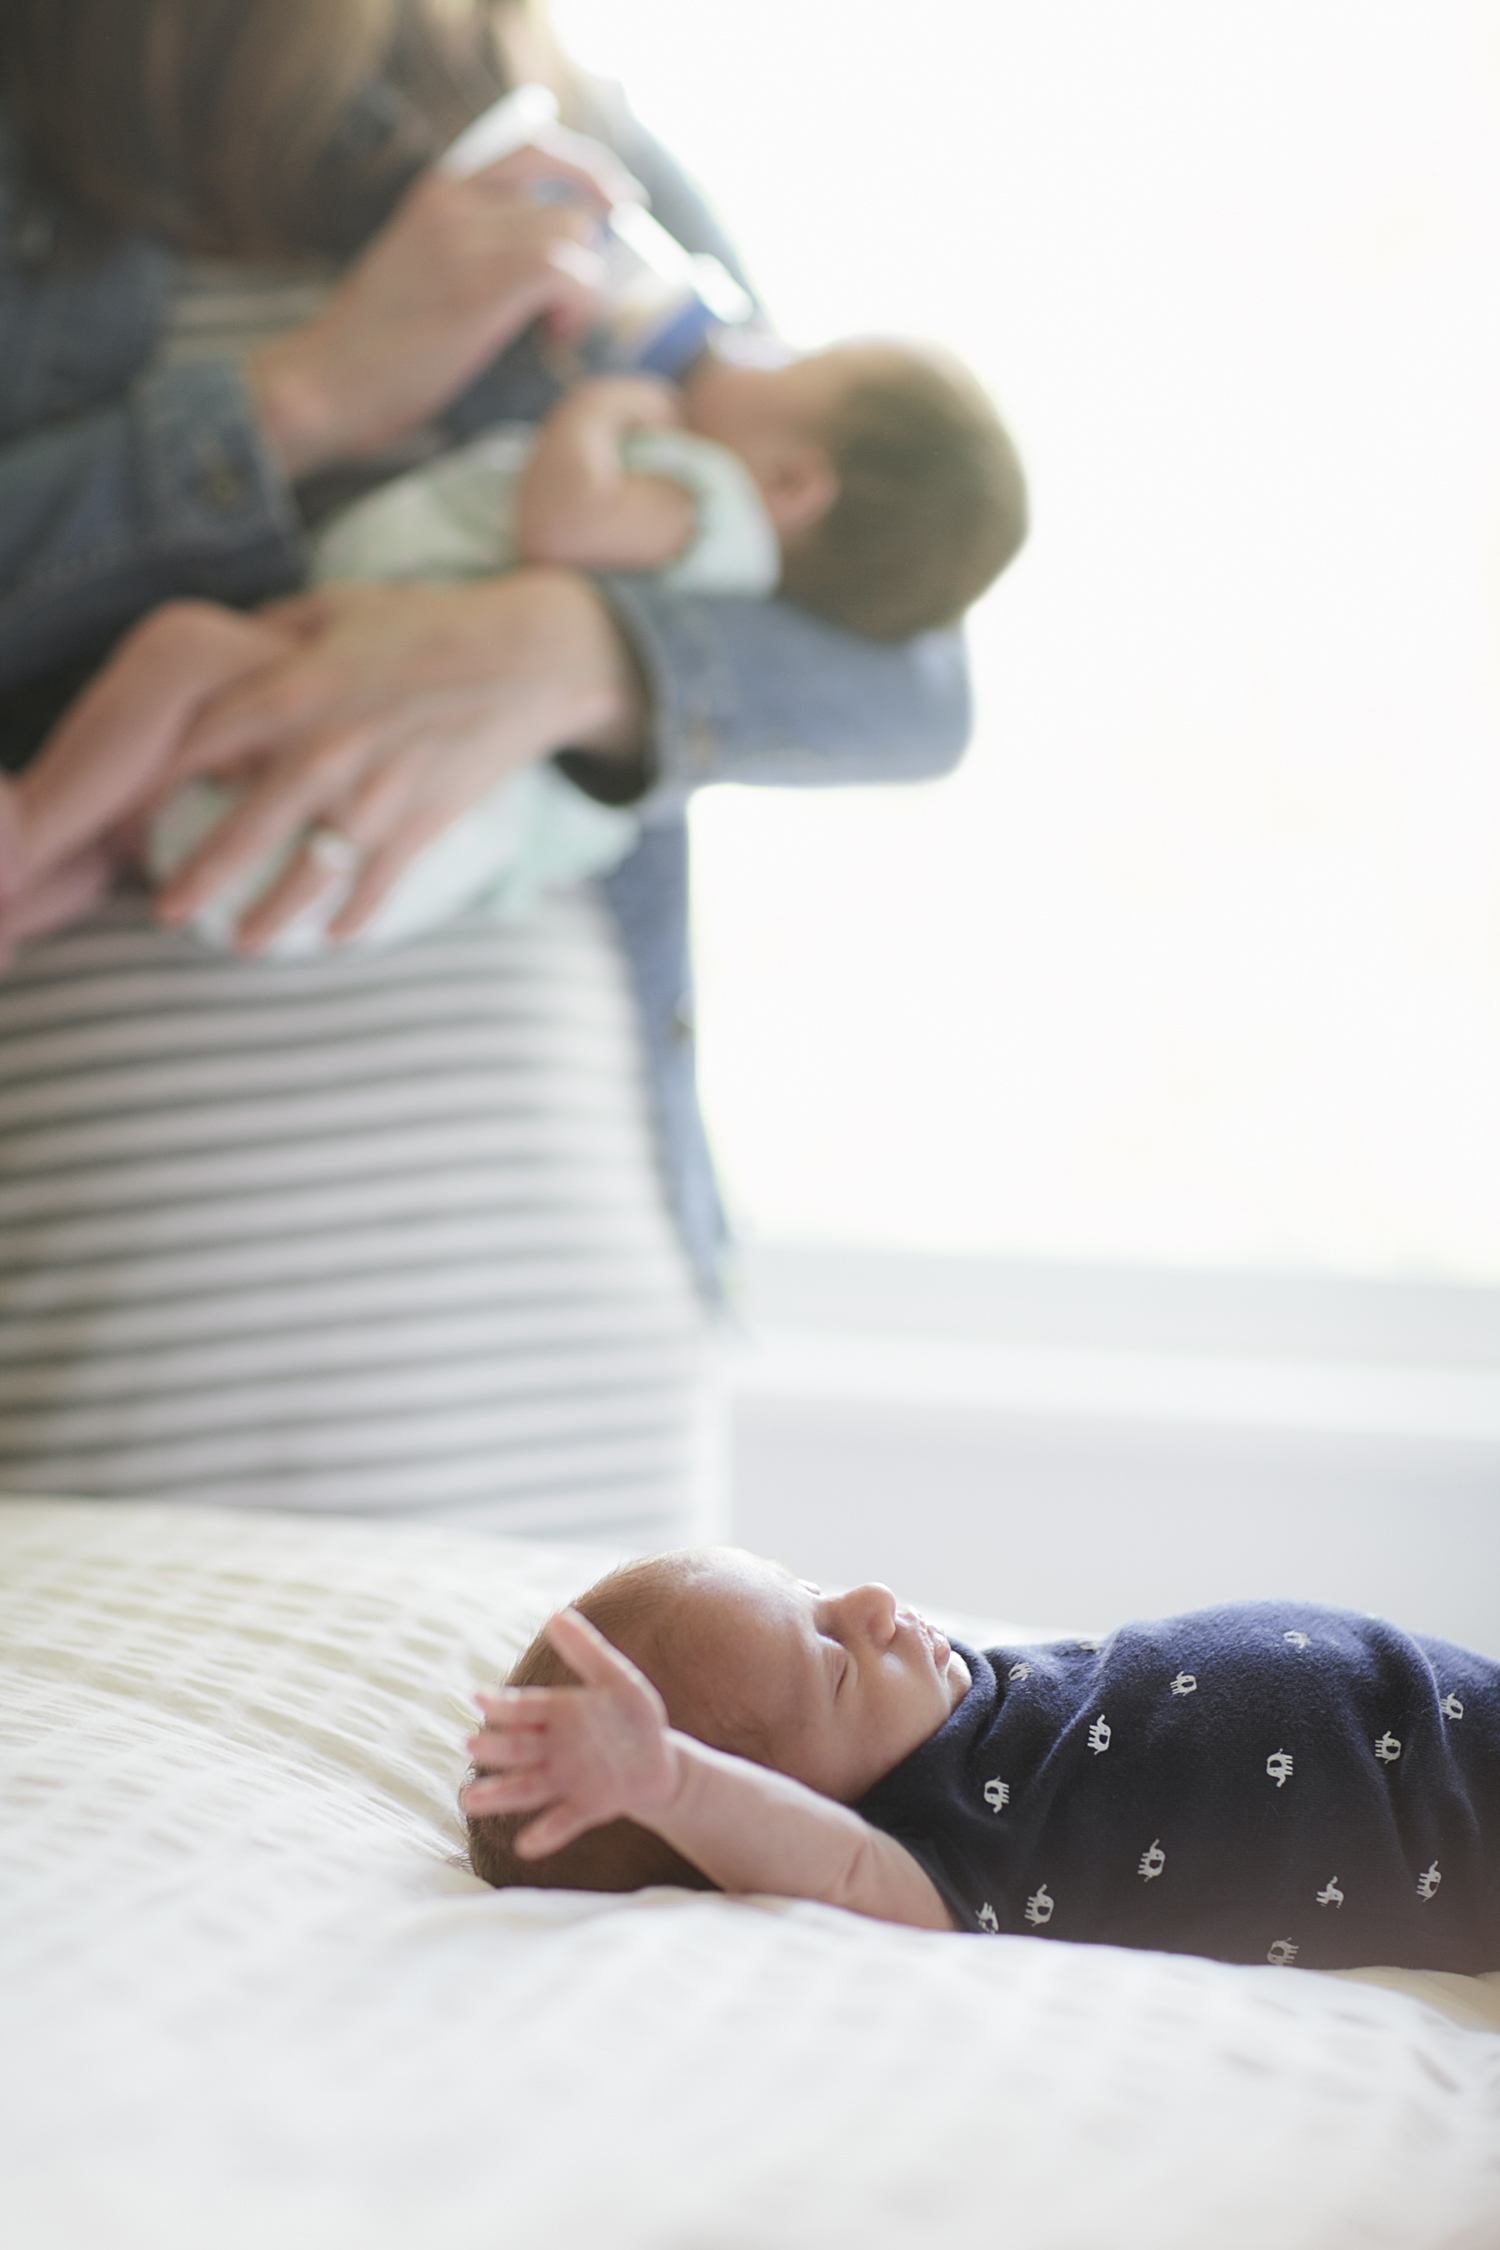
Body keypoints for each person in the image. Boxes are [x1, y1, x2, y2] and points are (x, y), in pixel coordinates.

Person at [0, 0, 990, 1534]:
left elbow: (913, 663)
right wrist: (296, 402)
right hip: (111, 1378)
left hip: (570, 1373)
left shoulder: (582, 146)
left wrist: (578, 643)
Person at [9, 341, 1025, 956]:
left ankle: (28, 822)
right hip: (341, 883)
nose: (742, 349)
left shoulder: (711, 503)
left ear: (797, 485)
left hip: (334, 798)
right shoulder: (738, 553)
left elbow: (562, 525)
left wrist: (604, 407)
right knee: (118, 845)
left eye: (786, 361)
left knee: (183, 653)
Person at [462, 1547, 1500, 1974]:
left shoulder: (952, 1697)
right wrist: (674, 1786)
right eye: (829, 1664)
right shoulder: (940, 1844)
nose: (867, 1606)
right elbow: (834, 1870)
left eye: (815, 1591)